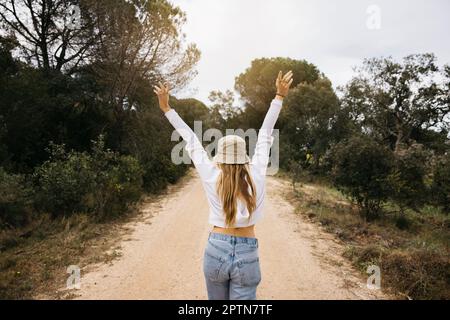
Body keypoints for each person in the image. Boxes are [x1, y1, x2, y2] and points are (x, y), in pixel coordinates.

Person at [154, 70, 293, 300]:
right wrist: (279, 96)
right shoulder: (256, 172)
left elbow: (191, 141)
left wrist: (167, 109)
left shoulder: (212, 174)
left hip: (216, 248)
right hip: (247, 250)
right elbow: (266, 134)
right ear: (244, 157)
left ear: (220, 157)